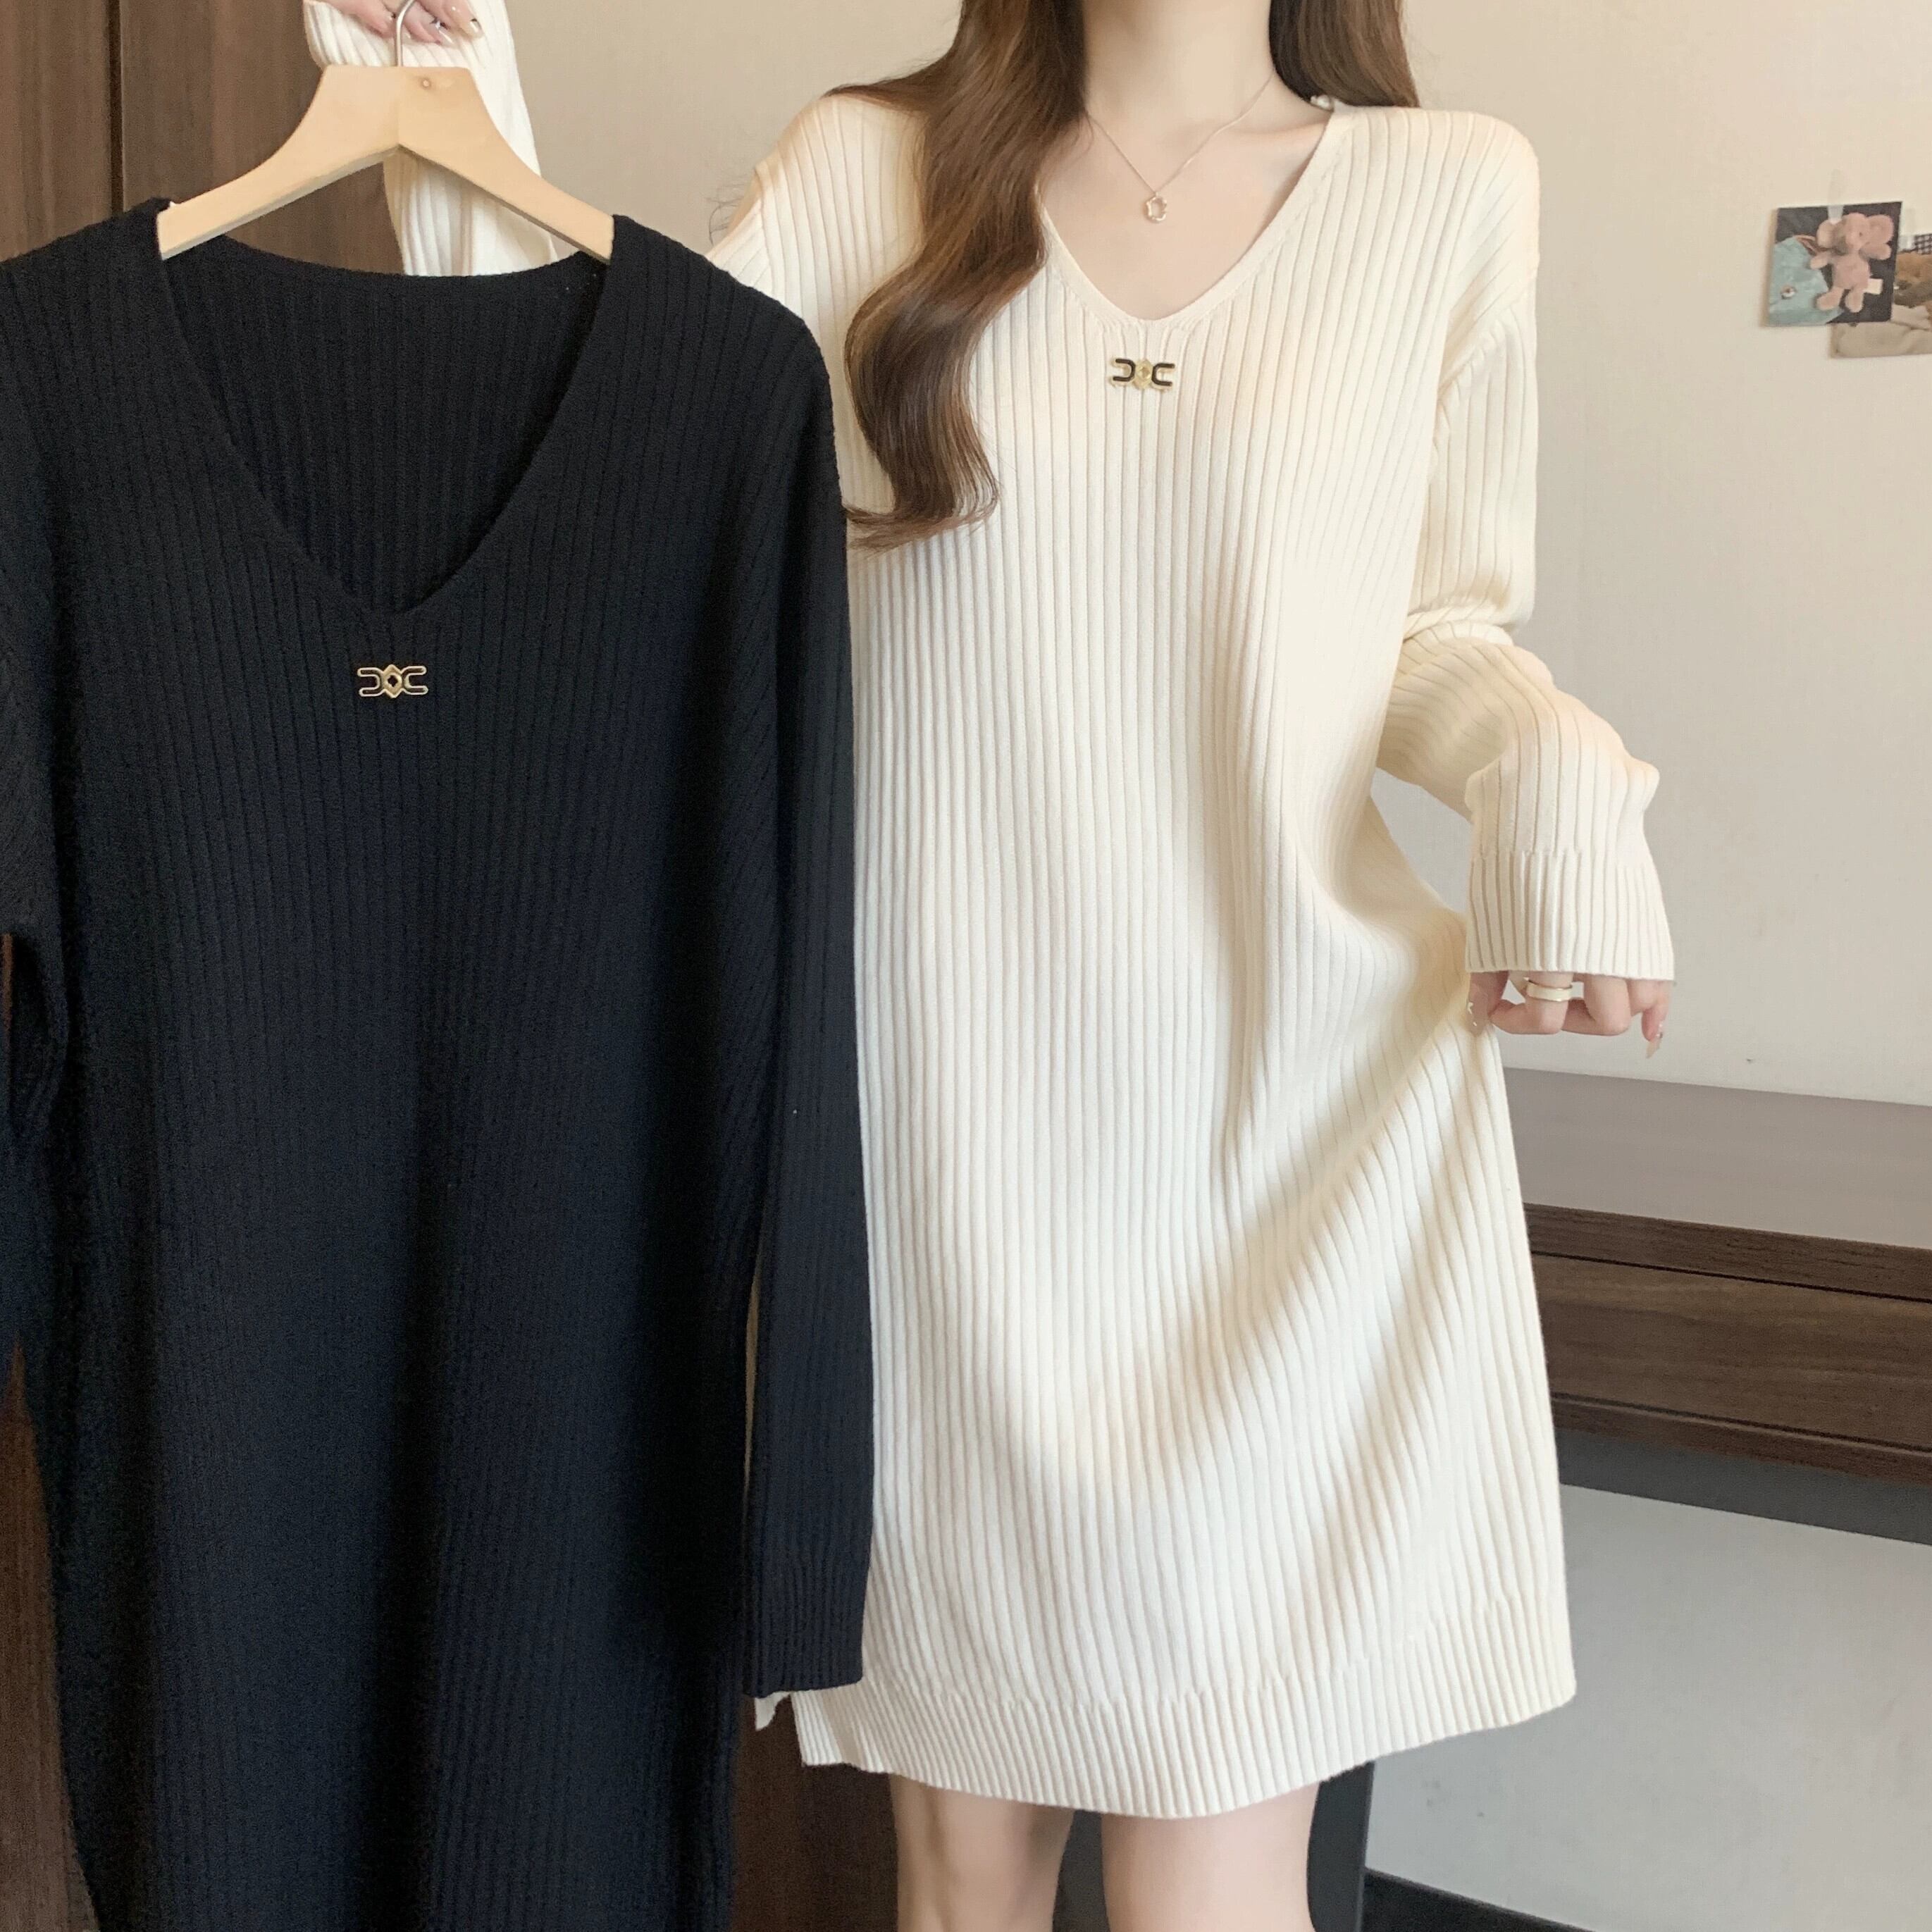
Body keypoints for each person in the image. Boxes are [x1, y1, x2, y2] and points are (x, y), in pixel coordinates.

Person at [311, 3, 1676, 1927]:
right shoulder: (868, 167)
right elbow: (591, 460)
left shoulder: (1444, 193)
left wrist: (1553, 773)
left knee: (1215, 1871)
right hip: (940, 1139)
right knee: (962, 1874)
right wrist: (441, 98)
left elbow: (1433, 623)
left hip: (1295, 1129)